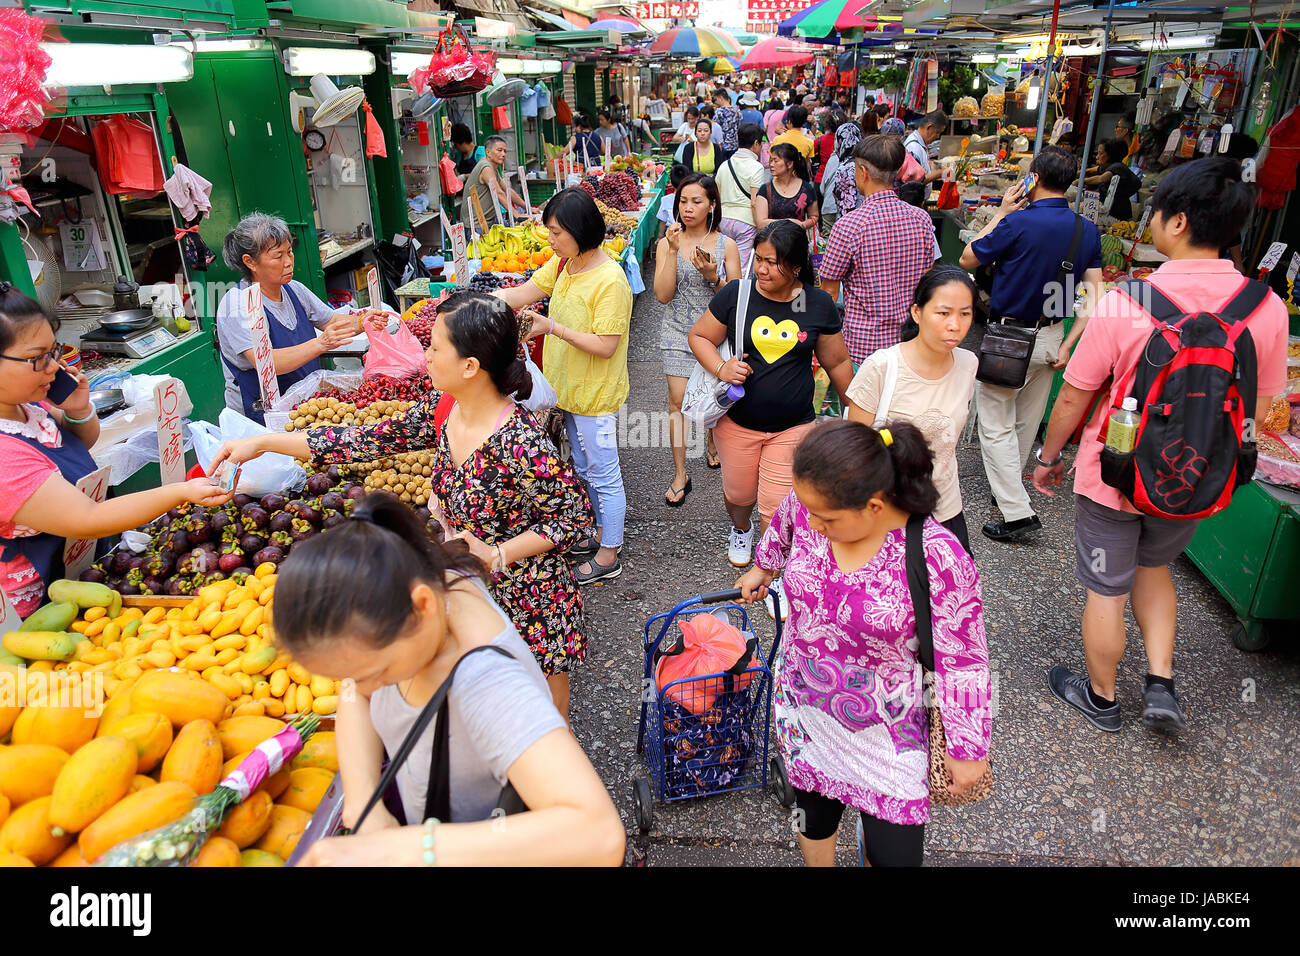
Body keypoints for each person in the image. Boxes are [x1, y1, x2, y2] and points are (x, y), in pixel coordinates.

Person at [208, 291, 596, 719]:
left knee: (539, 699)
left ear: (470, 367)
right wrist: (263, 443)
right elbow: (359, 441)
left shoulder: (521, 442)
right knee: (489, 704)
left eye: (434, 347)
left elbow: (573, 518)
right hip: (470, 587)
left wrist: (499, 553)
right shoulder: (446, 409)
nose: (424, 354)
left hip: (531, 597)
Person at [1034, 157, 1288, 736]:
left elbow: (1074, 395)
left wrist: (1048, 460)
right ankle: (1160, 681)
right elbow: (1264, 406)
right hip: (1199, 474)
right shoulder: (1265, 307)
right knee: (1155, 567)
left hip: (1115, 471)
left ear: (1176, 223)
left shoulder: (1127, 301)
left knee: (1106, 588)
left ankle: (1101, 698)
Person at [270, 493, 624, 866]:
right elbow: (354, 694)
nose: (362, 689)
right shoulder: (435, 578)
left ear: (420, 605)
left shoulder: (485, 683)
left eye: (373, 674)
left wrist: (408, 848)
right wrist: (362, 807)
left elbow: (598, 833)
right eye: (350, 676)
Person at [735, 419, 992, 866]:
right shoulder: (815, 504)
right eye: (810, 509)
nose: (812, 521)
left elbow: (965, 660)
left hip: (890, 731)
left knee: (896, 856)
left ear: (874, 506)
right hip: (806, 709)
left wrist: (968, 748)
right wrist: (764, 564)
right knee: (810, 817)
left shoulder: (939, 557)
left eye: (827, 518)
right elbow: (787, 521)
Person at [0, 283, 229, 617]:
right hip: (40, 604)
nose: (53, 367)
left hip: (78, 570)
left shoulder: (27, 406)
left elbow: (78, 444)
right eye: (36, 358)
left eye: (54, 352)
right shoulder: (5, 457)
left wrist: (79, 411)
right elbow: (86, 519)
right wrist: (181, 492)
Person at [688, 221, 853, 612]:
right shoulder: (736, 294)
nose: (761, 269)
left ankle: (772, 574)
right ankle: (741, 529)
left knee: (777, 506)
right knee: (738, 496)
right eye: (758, 259)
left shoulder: (817, 305)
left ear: (796, 267)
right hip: (738, 422)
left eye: (773, 263)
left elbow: (838, 361)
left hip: (793, 424)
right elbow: (699, 336)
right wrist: (722, 367)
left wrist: (859, 415)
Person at [958, 145, 1104, 543]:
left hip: (1010, 335)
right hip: (1053, 335)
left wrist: (1003, 212)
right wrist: (1070, 342)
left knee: (994, 421)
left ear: (1033, 179)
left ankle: (1016, 512)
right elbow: (1095, 295)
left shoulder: (1017, 222)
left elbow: (968, 258)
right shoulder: (1085, 230)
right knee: (1024, 421)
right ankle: (1007, 491)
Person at [495, 188, 632, 583]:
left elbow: (606, 347)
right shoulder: (562, 266)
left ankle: (610, 554)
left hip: (595, 395)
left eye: (556, 233)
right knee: (583, 469)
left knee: (604, 472)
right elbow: (522, 293)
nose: (550, 240)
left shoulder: (610, 280)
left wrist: (552, 327)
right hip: (566, 391)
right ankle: (598, 533)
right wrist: (477, 302)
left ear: (579, 230)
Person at [846, 266, 979, 552]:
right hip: (889, 515)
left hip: (945, 511)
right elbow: (852, 452)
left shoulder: (968, 364)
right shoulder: (881, 367)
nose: (955, 324)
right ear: (916, 312)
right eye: (943, 313)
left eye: (965, 314)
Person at [216, 212, 376, 423]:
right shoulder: (236, 305)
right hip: (258, 414)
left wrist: (364, 321)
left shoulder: (294, 289)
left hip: (304, 406)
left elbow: (332, 322)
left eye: (289, 252)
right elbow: (267, 363)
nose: (288, 261)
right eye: (277, 256)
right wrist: (321, 343)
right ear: (250, 262)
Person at [653, 174, 740, 503]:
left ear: (712, 205)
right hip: (676, 331)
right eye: (683, 201)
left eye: (696, 201)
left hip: (715, 333)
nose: (687, 208)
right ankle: (680, 473)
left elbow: (736, 298)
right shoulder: (667, 243)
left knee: (717, 399)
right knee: (677, 401)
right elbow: (662, 296)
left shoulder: (726, 244)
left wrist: (711, 276)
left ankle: (713, 441)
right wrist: (673, 252)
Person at [821, 136, 940, 368]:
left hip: (863, 347)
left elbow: (828, 293)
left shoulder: (849, 226)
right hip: (909, 341)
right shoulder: (921, 218)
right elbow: (927, 281)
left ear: (863, 172)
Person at [460, 135, 537, 233]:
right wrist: (517, 215)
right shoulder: (486, 168)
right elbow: (499, 193)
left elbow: (507, 190)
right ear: (488, 152)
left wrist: (527, 207)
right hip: (476, 225)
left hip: (486, 222)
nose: (503, 154)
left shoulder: (492, 167)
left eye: (505, 151)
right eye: (499, 150)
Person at [716, 122, 766, 266]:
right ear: (756, 143)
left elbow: (717, 198)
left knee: (723, 263)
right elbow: (754, 202)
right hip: (746, 223)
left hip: (723, 220)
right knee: (742, 265)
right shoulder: (757, 168)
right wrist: (759, 226)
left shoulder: (724, 165)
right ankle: (740, 288)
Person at [755, 144, 818, 235]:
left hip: (797, 241)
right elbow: (760, 223)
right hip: (772, 242)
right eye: (771, 160)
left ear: (789, 164)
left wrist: (803, 225)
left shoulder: (806, 188)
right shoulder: (765, 189)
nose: (771, 165)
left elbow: (814, 216)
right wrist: (789, 222)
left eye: (776, 161)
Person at [819, 119, 861, 237]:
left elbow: (822, 188)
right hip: (856, 217)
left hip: (830, 208)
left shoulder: (834, 160)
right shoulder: (862, 163)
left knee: (829, 242)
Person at [1084, 138, 1142, 221]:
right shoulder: (1106, 166)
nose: (1097, 156)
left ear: (1110, 155)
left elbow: (1101, 179)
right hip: (1106, 210)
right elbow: (1089, 171)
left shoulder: (1118, 167)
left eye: (1101, 153)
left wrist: (1081, 181)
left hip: (1117, 215)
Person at [903, 110, 949, 203]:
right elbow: (914, 181)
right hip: (913, 203)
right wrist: (941, 173)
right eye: (937, 132)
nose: (937, 136)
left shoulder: (920, 144)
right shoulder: (914, 147)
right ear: (929, 127)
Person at [656, 163, 689, 242]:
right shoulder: (692, 199)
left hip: (671, 234)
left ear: (671, 182)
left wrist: (660, 237)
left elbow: (663, 221)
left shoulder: (665, 200)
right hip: (688, 232)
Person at [813, 110, 842, 187]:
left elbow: (811, 152)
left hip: (821, 177)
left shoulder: (820, 140)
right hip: (838, 180)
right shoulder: (844, 141)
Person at [712, 87, 740, 154]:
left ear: (720, 98)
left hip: (722, 146)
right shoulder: (737, 111)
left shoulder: (719, 111)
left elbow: (715, 127)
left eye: (716, 99)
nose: (716, 102)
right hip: (735, 145)